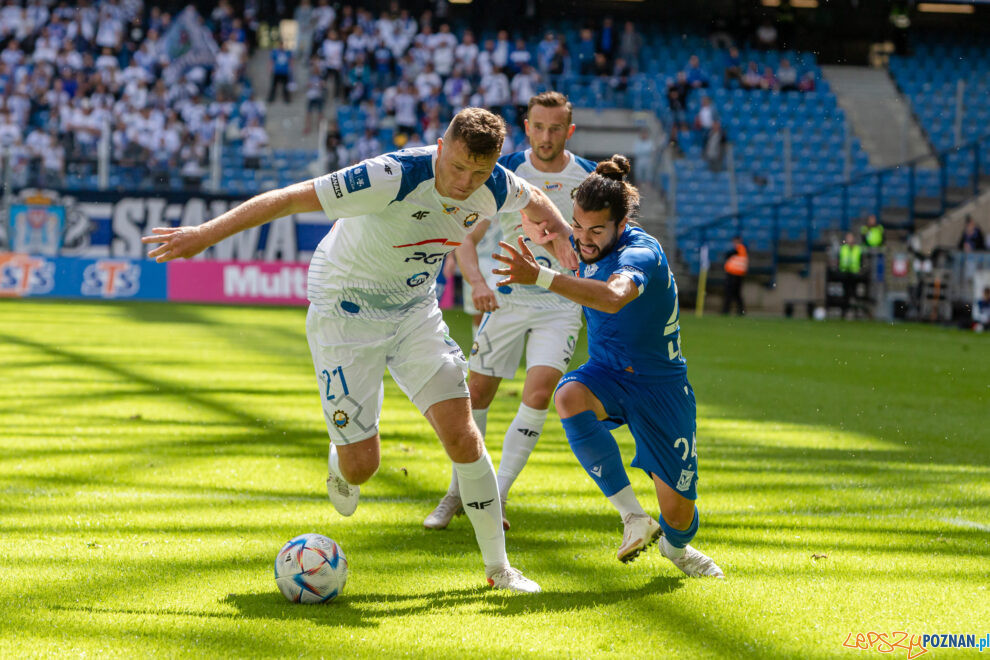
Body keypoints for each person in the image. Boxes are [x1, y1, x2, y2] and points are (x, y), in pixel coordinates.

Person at [142, 107, 579, 594]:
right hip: (345, 314)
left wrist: (559, 232)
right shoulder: (389, 176)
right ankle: (341, 458)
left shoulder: (496, 185)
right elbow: (288, 199)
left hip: (414, 311)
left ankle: (499, 570)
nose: (464, 182)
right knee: (361, 467)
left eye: (478, 172)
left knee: (463, 436)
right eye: (457, 167)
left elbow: (536, 198)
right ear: (439, 148)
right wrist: (204, 234)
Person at [492, 155, 724, 577]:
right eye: (578, 226)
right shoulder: (583, 241)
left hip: (661, 387)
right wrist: (539, 233)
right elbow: (550, 227)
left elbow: (613, 296)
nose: (584, 237)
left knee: (678, 513)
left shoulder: (642, 252)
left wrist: (540, 276)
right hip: (607, 372)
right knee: (567, 395)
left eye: (596, 230)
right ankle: (633, 517)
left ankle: (675, 548)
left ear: (621, 223)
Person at [424, 92, 595, 532]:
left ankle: (494, 496)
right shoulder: (506, 174)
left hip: (560, 304)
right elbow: (464, 236)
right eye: (538, 127)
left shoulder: (586, 178)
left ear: (569, 131)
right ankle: (456, 492)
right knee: (475, 396)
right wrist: (478, 283)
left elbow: (599, 243)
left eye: (556, 128)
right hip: (508, 301)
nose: (546, 136)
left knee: (539, 394)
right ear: (526, 127)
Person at [838, 231, 862, 319]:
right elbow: (839, 261)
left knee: (855, 294)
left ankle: (856, 313)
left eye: (851, 238)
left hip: (854, 275)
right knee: (845, 294)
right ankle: (844, 313)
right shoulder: (843, 249)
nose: (849, 240)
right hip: (845, 275)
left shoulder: (857, 249)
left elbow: (861, 262)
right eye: (848, 238)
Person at [722, 235, 747, 315]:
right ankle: (739, 311)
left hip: (734, 274)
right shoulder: (741, 249)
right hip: (736, 274)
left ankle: (726, 310)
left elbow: (728, 254)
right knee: (736, 294)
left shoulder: (739, 248)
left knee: (730, 293)